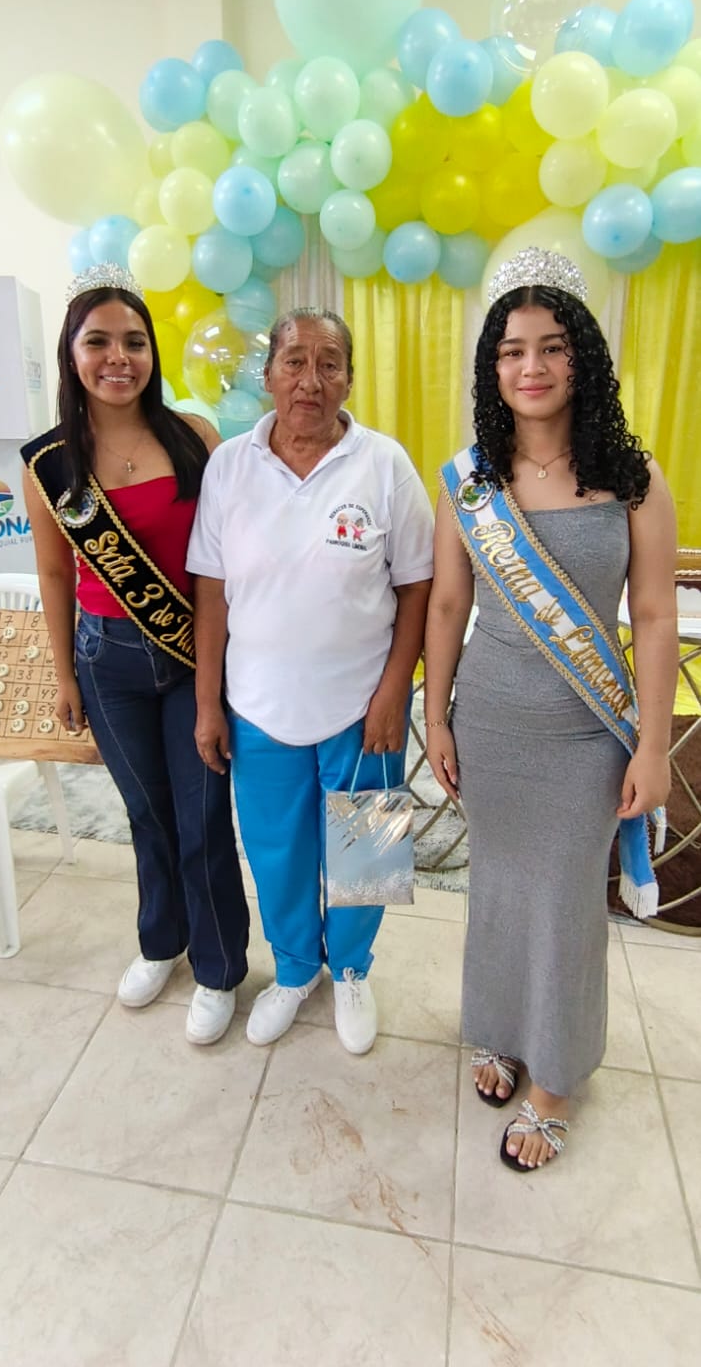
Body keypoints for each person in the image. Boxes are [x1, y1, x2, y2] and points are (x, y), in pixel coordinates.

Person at [424, 247, 677, 1170]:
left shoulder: (633, 477)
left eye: (550, 347)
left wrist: (652, 747)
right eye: (510, 351)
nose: (529, 366)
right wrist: (436, 716)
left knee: (566, 902)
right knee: (497, 887)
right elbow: (445, 605)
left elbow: (655, 616)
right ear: (491, 368)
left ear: (582, 359)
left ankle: (559, 1075)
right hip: (491, 721)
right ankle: (500, 1027)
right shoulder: (469, 481)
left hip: (585, 735)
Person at [188, 307, 433, 1056]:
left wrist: (394, 693)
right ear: (267, 375)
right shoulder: (230, 466)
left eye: (329, 363)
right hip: (259, 705)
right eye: (294, 361)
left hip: (363, 708)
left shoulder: (383, 464)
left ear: (349, 379)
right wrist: (207, 704)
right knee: (276, 854)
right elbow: (211, 592)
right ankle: (295, 971)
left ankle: (352, 969)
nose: (310, 380)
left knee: (367, 850)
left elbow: (418, 588)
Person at [21, 264, 250, 1046]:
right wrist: (63, 675)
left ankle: (218, 968)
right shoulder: (49, 463)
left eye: (134, 341)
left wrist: (219, 679)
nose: (117, 358)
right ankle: (161, 941)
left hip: (192, 660)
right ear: (71, 353)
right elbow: (56, 573)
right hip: (105, 661)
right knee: (147, 814)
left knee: (202, 816)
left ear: (153, 352)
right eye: (98, 342)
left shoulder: (194, 437)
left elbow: (221, 566)